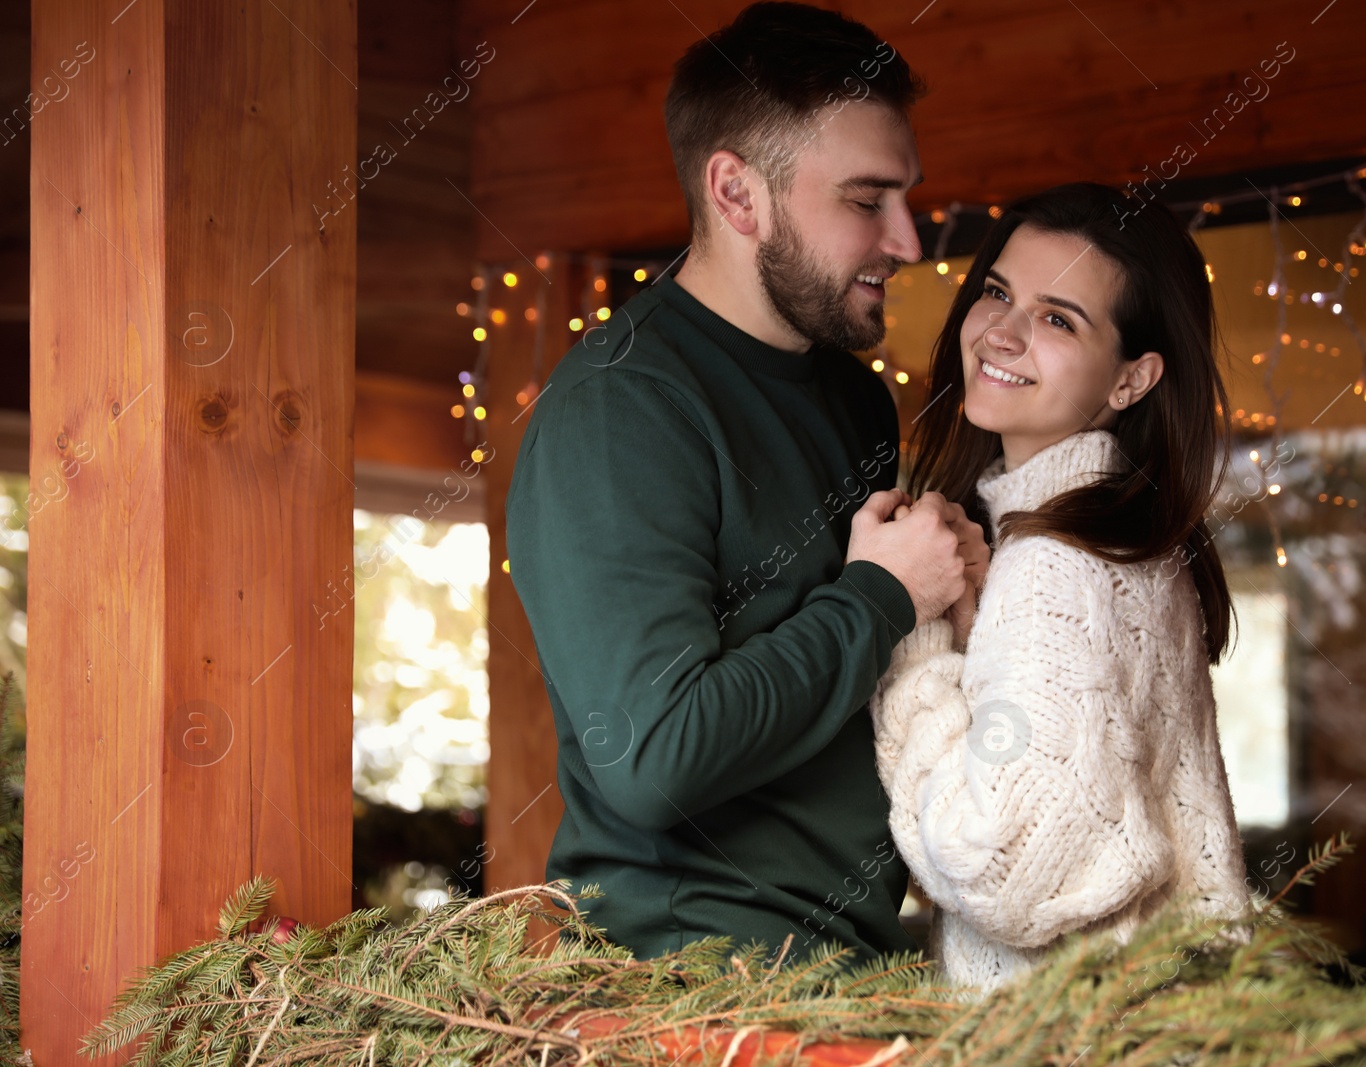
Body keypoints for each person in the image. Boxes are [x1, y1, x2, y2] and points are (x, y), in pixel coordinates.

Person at [504, 2, 987, 968]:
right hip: (685, 986)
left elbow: (857, 681)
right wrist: (883, 595)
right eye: (865, 199)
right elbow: (652, 758)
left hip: (850, 967)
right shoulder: (621, 408)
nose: (908, 239)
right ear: (737, 193)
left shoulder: (853, 400)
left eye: (907, 196)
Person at [871, 182, 1255, 995]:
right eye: (999, 293)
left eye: (1057, 318)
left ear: (1131, 380)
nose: (1000, 333)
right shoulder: (1124, 540)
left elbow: (1004, 859)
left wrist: (914, 638)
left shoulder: (1060, 564)